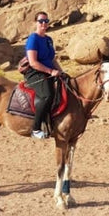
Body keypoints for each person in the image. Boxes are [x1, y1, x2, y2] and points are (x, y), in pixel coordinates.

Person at [24, 11, 64, 139]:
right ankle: (36, 129)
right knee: (47, 95)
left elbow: (52, 59)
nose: (43, 24)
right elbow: (33, 62)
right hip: (35, 73)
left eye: (46, 21)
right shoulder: (33, 39)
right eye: (41, 21)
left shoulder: (48, 40)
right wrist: (51, 72)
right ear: (36, 22)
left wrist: (61, 72)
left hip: (49, 71)